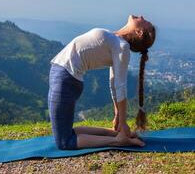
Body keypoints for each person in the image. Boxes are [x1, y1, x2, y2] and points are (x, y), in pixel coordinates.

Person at [48, 15, 156, 150]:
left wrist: (123, 122)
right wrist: (117, 115)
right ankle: (118, 135)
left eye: (145, 21)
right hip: (64, 77)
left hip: (65, 79)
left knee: (64, 142)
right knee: (67, 132)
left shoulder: (122, 47)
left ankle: (118, 141)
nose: (141, 16)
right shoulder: (116, 40)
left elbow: (119, 85)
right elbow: (113, 82)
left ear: (139, 32)